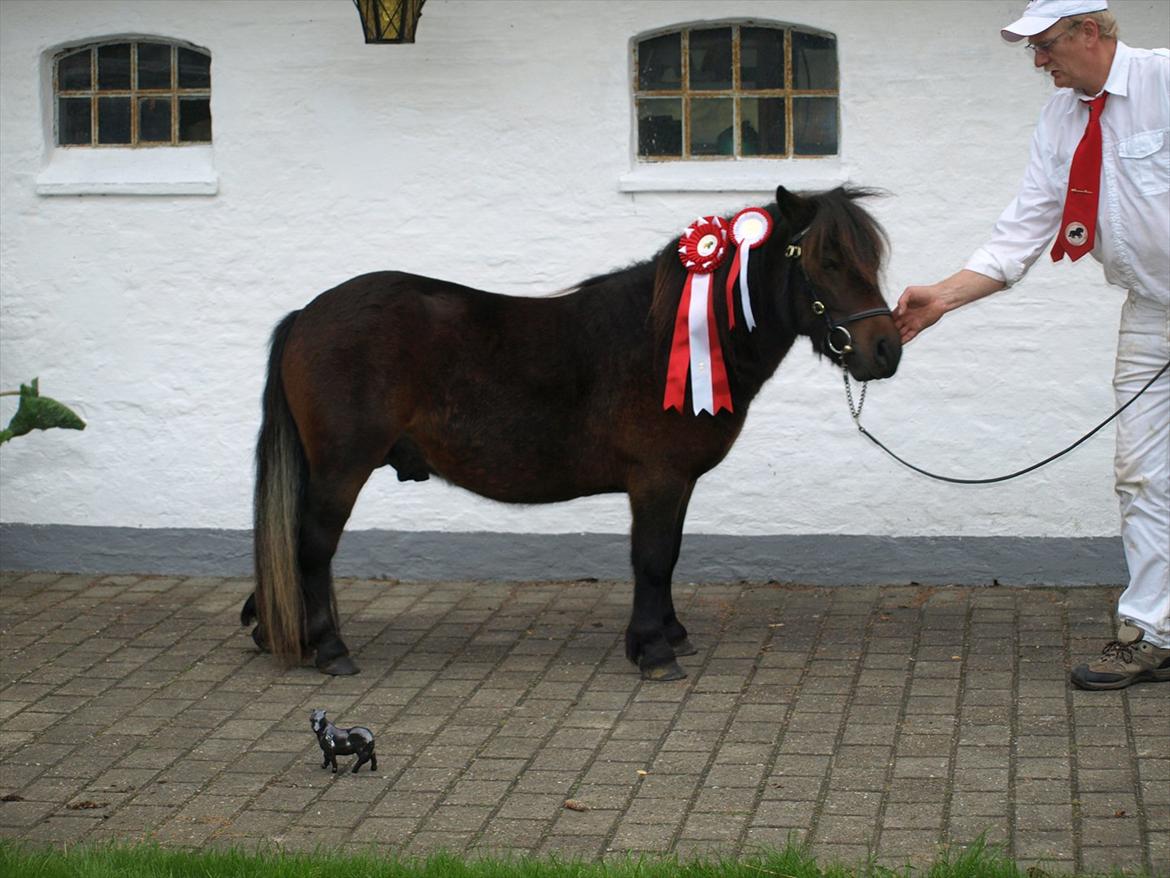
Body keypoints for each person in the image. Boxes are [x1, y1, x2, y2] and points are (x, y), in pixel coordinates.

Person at [893, 0, 1169, 690]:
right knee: (1141, 473)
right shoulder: (1062, 118)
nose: (1038, 61)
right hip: (1153, 313)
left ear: (1088, 31)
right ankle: (1153, 635)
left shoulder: (1166, 82)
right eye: (1031, 49)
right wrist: (942, 298)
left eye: (1045, 45)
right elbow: (1024, 230)